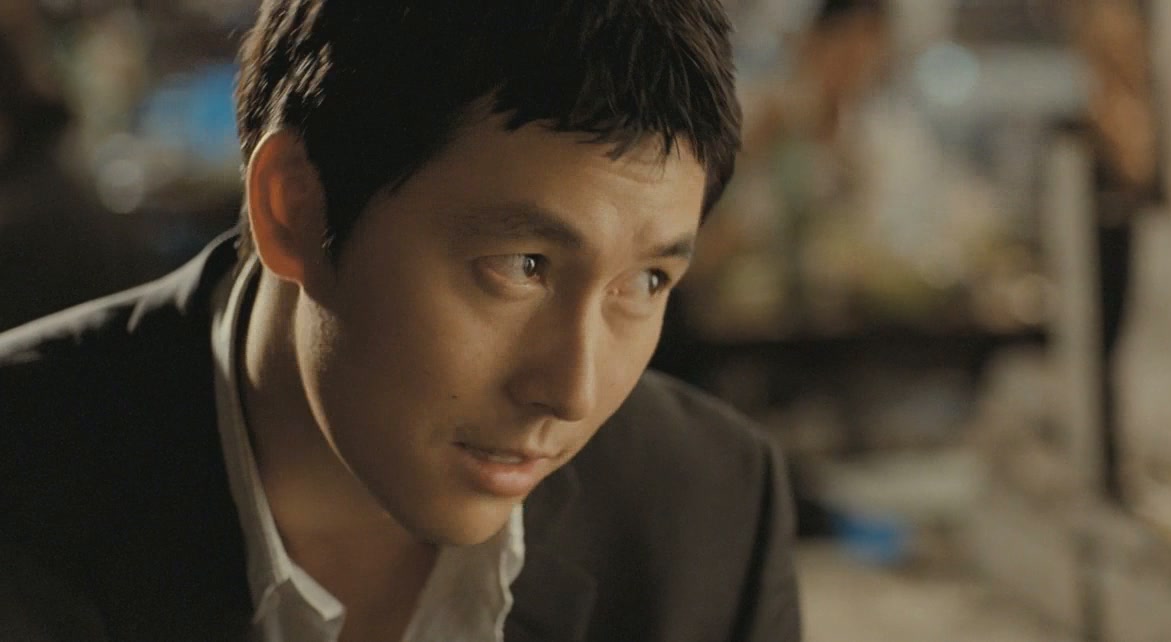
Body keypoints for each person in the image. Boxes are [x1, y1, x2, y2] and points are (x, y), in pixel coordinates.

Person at [0, 1, 801, 641]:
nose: (573, 392)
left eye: (648, 280)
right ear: (293, 208)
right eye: (522, 266)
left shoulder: (711, 510)